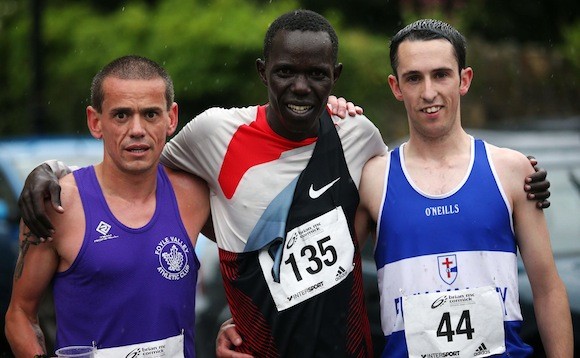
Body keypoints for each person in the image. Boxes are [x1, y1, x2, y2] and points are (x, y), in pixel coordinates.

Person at [17, 11, 551, 358]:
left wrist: (515, 171)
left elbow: (428, 182)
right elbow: (135, 165)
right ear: (262, 71)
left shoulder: (357, 134)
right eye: (285, 72)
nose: (301, 86)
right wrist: (50, 176)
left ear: (335, 77)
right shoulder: (211, 134)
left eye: (317, 75)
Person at [354, 19, 573, 357]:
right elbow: (329, 287)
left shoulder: (510, 170)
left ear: (464, 80)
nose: (429, 92)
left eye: (441, 74)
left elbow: (547, 290)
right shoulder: (373, 178)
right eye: (414, 78)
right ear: (396, 87)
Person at [5, 55, 211, 357]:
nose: (137, 129)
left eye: (151, 114)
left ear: (172, 118)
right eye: (121, 115)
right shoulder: (60, 204)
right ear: (95, 121)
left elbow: (251, 258)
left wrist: (235, 325)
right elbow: (19, 315)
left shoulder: (194, 195)